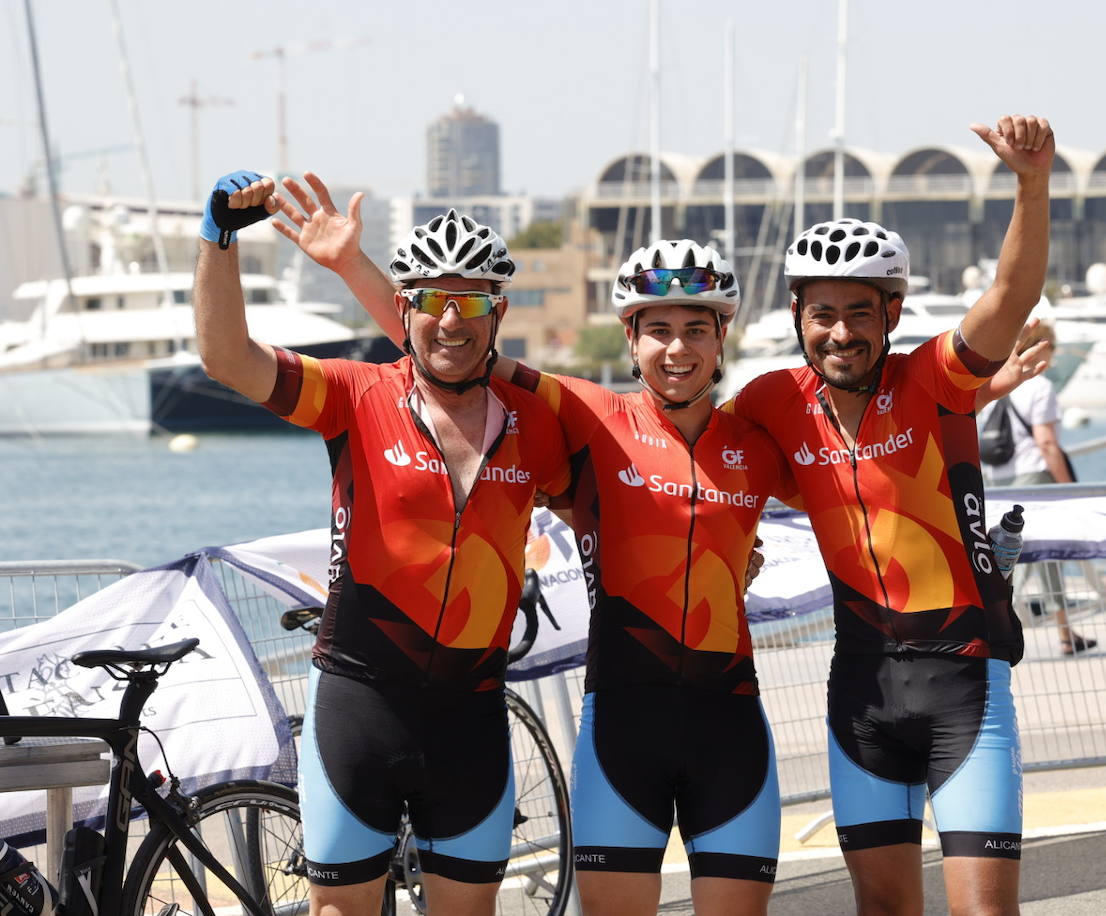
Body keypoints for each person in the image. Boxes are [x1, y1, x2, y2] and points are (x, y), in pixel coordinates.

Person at [268, 175, 795, 915]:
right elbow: (450, 345)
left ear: (723, 336)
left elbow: (855, 484)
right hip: (621, 724)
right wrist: (355, 267)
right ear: (630, 337)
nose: (677, 348)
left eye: (697, 329)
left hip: (730, 718)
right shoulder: (592, 416)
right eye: (658, 330)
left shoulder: (756, 442)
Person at [193, 171, 571, 915]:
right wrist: (219, 239)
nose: (450, 321)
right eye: (431, 301)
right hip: (360, 706)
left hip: (472, 713)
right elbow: (226, 358)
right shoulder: (355, 397)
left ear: (498, 313)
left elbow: (633, 486)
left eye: (470, 302)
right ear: (406, 310)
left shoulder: (540, 425)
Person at [724, 114, 1054, 915]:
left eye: (860, 313)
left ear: (892, 317)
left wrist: (1031, 182)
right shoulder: (773, 401)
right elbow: (700, 466)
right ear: (798, 317)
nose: (841, 331)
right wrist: (733, 545)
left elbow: (1011, 295)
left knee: (985, 911)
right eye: (823, 313)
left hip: (962, 682)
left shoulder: (932, 380)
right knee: (884, 910)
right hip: (860, 691)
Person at [978, 319, 1097, 656]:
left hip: (997, 482)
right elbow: (1046, 442)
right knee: (1049, 557)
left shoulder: (996, 381)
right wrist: (1068, 488)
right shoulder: (1039, 387)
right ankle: (1063, 632)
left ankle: (999, 631)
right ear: (1043, 349)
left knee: (1002, 560)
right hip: (1033, 482)